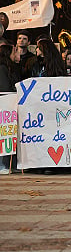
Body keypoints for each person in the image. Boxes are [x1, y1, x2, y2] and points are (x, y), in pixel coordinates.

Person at [0, 44, 20, 174]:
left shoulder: (8, 68)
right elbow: (5, 88)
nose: (16, 54)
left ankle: (7, 164)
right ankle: (2, 165)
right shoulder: (2, 69)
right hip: (5, 106)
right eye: (14, 52)